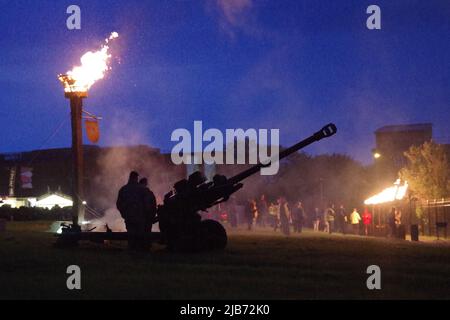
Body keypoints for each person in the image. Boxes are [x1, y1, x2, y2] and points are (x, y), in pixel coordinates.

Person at [116, 171, 147, 250]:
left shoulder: (123, 189)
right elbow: (147, 203)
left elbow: (119, 204)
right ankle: (139, 252)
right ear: (136, 178)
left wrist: (124, 213)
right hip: (140, 216)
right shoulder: (142, 189)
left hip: (129, 216)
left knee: (131, 235)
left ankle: (132, 250)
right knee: (139, 235)